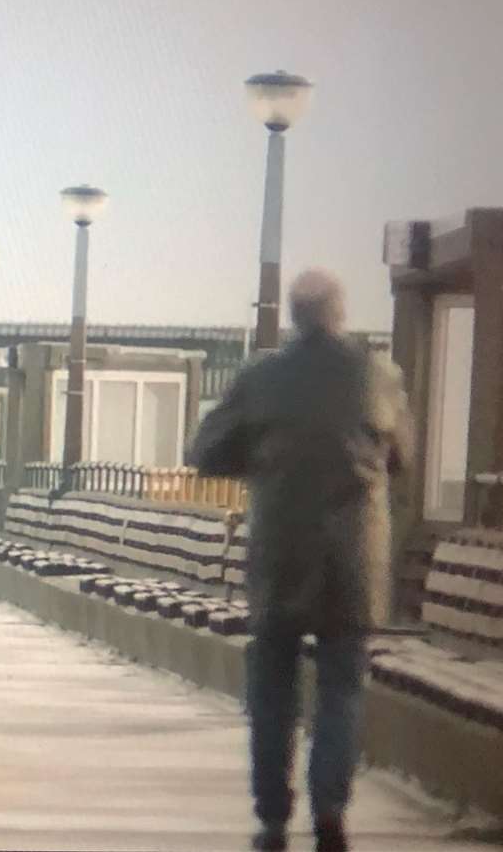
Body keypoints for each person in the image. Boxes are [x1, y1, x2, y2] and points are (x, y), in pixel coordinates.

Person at [188, 269, 411, 852]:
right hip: (353, 560)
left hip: (281, 557)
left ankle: (271, 812)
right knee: (341, 688)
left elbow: (205, 450)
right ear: (339, 314)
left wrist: (264, 462)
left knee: (272, 689)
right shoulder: (378, 376)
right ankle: (331, 809)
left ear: (293, 314)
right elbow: (404, 456)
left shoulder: (262, 378)